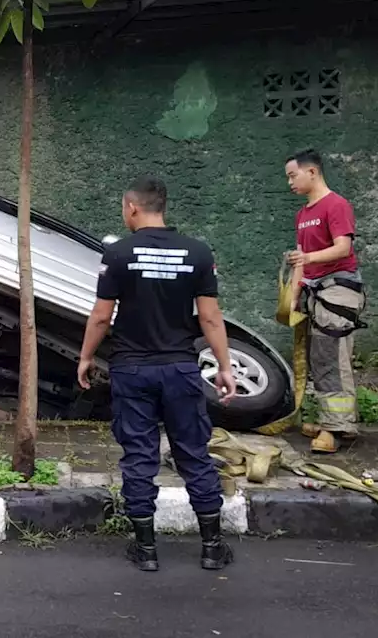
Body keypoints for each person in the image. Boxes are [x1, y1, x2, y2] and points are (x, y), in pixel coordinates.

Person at [76, 176, 237, 573]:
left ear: (132, 207)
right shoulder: (198, 252)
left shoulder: (118, 254)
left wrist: (85, 357)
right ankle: (213, 548)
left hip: (132, 370)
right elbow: (210, 317)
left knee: (139, 456)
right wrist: (226, 366)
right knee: (194, 454)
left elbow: (101, 315)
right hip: (180, 368)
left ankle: (146, 550)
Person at [284, 148, 366, 454]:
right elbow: (299, 263)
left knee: (332, 356)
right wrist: (292, 300)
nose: (290, 182)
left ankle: (337, 428)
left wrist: (307, 257)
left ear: (312, 172)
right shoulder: (303, 214)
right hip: (315, 292)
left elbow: (343, 248)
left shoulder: (336, 204)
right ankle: (332, 421)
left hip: (338, 290)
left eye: (293, 175)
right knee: (319, 358)